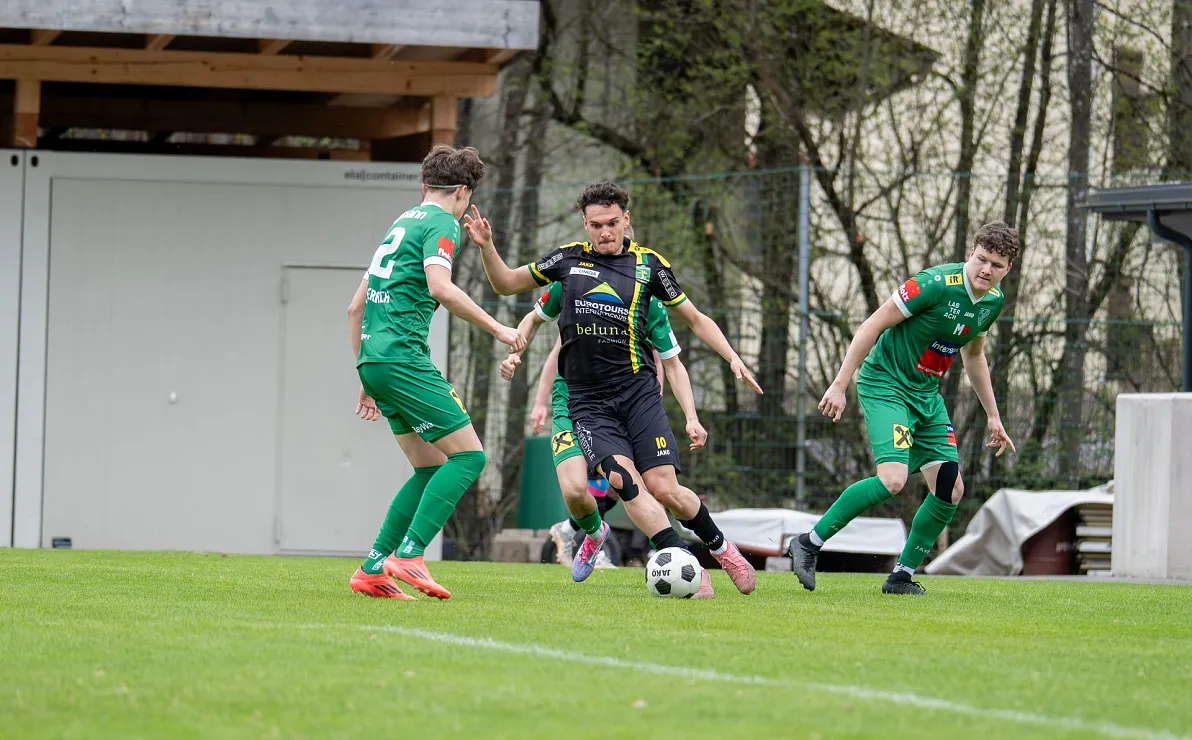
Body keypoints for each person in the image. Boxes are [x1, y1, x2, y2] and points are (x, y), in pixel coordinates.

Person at [466, 181, 761, 595]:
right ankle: (687, 565)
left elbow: (695, 319)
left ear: (626, 219)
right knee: (623, 481)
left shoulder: (650, 266)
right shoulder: (567, 262)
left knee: (664, 487)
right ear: (585, 225)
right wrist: (486, 248)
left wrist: (732, 357)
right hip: (588, 402)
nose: (604, 232)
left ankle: (722, 548)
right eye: (596, 225)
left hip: (638, 395)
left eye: (611, 223)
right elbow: (506, 283)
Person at [788, 221, 1020, 596]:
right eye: (981, 259)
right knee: (893, 480)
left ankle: (901, 576)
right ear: (971, 253)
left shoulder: (991, 302)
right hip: (886, 385)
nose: (986, 270)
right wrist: (840, 383)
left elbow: (974, 356)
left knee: (950, 488)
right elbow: (873, 324)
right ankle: (808, 543)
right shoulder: (933, 284)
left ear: (1008, 269)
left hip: (926, 396)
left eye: (996, 265)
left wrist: (993, 415)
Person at [346, 144, 526, 600]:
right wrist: (499, 328)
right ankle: (409, 554)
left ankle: (372, 569)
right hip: (404, 359)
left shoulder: (401, 223)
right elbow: (440, 287)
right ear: (463, 191)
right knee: (470, 458)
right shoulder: (442, 223)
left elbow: (354, 308)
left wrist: (365, 376)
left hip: (374, 360)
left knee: (429, 467)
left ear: (425, 184)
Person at [500, 245, 714, 594]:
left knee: (624, 482)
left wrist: (657, 402)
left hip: (626, 402)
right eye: (598, 228)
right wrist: (539, 401)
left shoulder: (643, 293)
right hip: (572, 401)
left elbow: (662, 359)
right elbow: (551, 346)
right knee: (577, 488)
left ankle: (671, 551)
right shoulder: (571, 280)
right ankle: (590, 531)